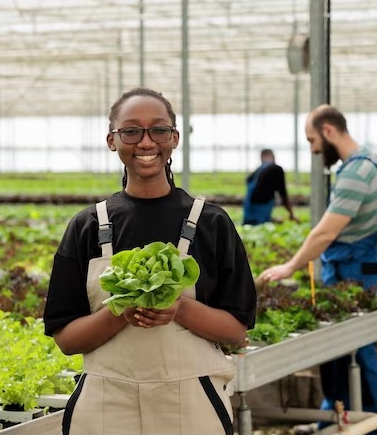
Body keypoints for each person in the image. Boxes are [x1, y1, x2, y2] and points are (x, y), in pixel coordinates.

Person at [43, 87, 257, 435]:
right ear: (112, 140)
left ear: (174, 138)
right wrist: (121, 313)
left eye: (158, 130)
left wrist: (179, 309)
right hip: (105, 404)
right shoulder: (87, 227)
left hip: (191, 401)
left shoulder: (210, 223)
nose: (146, 142)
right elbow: (67, 339)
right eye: (131, 130)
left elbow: (236, 330)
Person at [257, 104, 377, 435]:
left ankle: (376, 430)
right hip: (357, 265)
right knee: (338, 352)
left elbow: (326, 232)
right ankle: (332, 419)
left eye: (312, 140)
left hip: (352, 270)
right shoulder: (373, 161)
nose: (313, 149)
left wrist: (290, 266)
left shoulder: (356, 173)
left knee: (355, 350)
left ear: (329, 131)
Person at [243, 148, 299, 225]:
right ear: (272, 156)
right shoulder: (276, 169)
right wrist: (291, 214)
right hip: (262, 211)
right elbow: (283, 194)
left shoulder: (258, 171)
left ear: (262, 157)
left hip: (249, 213)